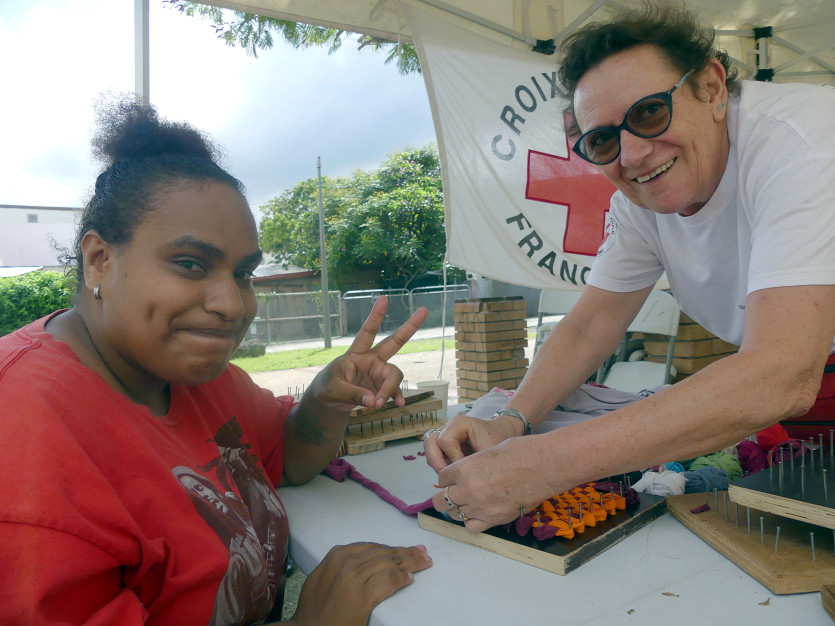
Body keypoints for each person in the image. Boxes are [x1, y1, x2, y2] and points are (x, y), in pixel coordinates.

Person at [0, 98, 432, 625]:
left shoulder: (197, 377)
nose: (232, 305)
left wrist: (326, 395)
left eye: (243, 274)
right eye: (190, 264)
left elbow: (285, 458)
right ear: (99, 261)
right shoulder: (25, 434)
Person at [425, 2, 835, 534]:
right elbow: (590, 326)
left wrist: (544, 464)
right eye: (602, 140)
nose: (634, 154)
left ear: (711, 87)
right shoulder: (639, 201)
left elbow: (782, 372)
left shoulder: (801, 144)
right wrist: (512, 422)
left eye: (649, 112)